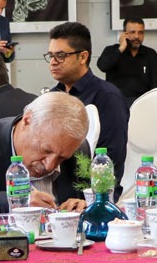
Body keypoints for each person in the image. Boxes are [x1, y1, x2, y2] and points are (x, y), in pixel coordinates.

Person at [46, 21, 129, 195]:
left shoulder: (107, 97)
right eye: (50, 55)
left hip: (90, 195)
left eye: (60, 55)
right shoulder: (52, 97)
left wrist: (93, 198)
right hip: (52, 192)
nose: (53, 62)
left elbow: (110, 158)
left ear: (83, 57)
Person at [96, 18, 157, 105]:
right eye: (132, 32)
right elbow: (102, 66)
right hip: (117, 102)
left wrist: (151, 102)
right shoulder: (113, 50)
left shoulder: (150, 54)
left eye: (140, 32)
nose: (137, 36)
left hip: (143, 103)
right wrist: (121, 48)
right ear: (124, 34)